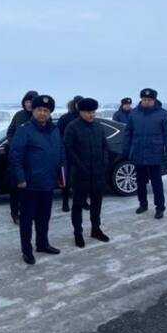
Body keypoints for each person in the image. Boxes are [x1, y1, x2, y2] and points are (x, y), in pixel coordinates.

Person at [9, 94, 65, 264]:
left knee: (44, 217)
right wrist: (20, 179)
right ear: (33, 111)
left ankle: (42, 244)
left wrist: (62, 175)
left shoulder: (54, 130)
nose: (42, 113)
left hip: (48, 182)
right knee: (26, 220)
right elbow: (15, 156)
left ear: (50, 113)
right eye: (39, 110)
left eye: (46, 111)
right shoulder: (24, 130)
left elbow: (61, 153)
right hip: (29, 184)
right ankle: (27, 250)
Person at [63, 97, 112, 247]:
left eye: (93, 112)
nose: (91, 115)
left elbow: (105, 147)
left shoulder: (98, 127)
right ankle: (78, 233)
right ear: (81, 112)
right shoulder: (72, 127)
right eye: (88, 112)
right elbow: (68, 150)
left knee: (97, 204)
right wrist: (80, 166)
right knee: (78, 205)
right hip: (80, 175)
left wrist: (104, 163)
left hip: (97, 173)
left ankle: (96, 229)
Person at [122, 87, 167, 218]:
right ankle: (143, 204)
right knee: (140, 182)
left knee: (157, 183)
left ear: (154, 100)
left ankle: (160, 207)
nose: (146, 102)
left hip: (155, 153)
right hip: (138, 152)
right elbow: (128, 133)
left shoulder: (162, 113)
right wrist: (126, 150)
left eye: (149, 100)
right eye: (144, 99)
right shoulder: (134, 113)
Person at [6, 90, 40, 225]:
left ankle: (29, 212)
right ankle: (15, 213)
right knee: (15, 188)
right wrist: (14, 142)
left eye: (32, 101)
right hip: (18, 158)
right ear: (24, 102)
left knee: (30, 189)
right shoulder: (19, 116)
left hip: (33, 160)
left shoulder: (40, 116)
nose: (29, 104)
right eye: (27, 101)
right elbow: (10, 132)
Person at [56, 96, 83, 212]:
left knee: (81, 179)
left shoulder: (84, 117)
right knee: (65, 179)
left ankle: (83, 201)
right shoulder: (65, 118)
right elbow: (57, 135)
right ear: (74, 104)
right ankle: (65, 202)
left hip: (81, 153)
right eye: (78, 103)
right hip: (66, 153)